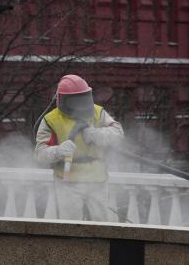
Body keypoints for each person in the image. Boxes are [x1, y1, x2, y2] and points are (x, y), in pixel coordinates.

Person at [35, 74, 124, 221]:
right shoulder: (51, 119)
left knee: (101, 224)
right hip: (67, 182)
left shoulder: (97, 112)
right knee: (71, 225)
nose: (80, 104)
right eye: (74, 100)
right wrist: (58, 151)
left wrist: (97, 134)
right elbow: (40, 154)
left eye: (82, 98)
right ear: (62, 99)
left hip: (97, 179)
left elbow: (118, 133)